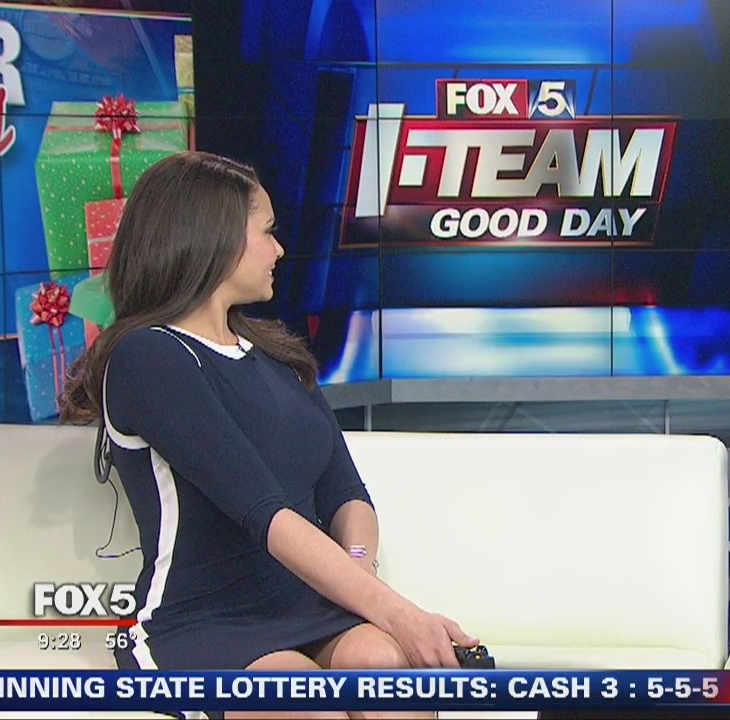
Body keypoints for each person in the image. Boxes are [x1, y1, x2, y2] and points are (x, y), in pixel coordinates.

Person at [60, 150, 478, 720]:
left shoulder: (279, 355)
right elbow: (265, 514)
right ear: (214, 237)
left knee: (383, 669)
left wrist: (358, 568)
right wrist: (398, 612)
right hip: (202, 620)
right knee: (299, 696)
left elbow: (346, 494)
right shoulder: (149, 356)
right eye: (267, 232)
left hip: (309, 607)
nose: (279, 250)